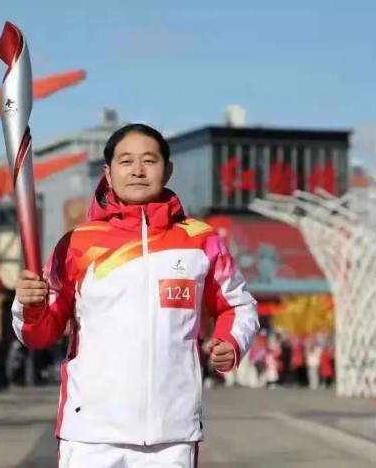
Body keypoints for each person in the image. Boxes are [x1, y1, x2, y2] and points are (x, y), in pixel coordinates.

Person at [13, 123, 260, 467]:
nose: (138, 170)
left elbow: (239, 305)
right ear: (108, 173)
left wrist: (230, 342)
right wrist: (29, 305)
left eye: (149, 160)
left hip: (171, 434)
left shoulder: (201, 240)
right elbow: (39, 334)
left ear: (167, 170)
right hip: (91, 435)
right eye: (126, 161)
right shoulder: (77, 244)